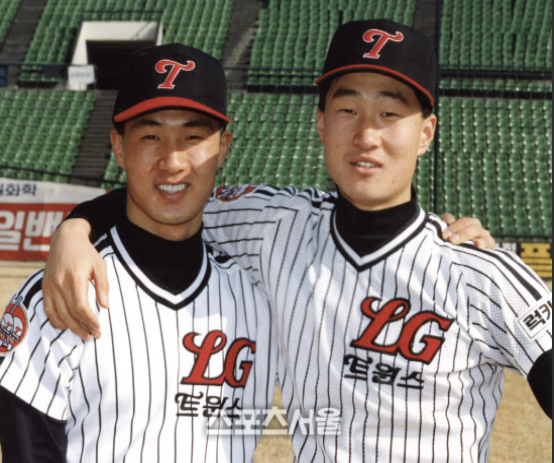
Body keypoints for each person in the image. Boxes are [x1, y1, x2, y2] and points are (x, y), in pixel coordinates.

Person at [40, 19, 545, 462]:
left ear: (427, 132)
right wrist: (76, 229)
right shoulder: (272, 225)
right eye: (348, 110)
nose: (366, 135)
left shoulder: (477, 271)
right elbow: (169, 192)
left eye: (389, 114)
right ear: (321, 123)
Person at [0, 43, 277, 462]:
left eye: (193, 136)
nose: (173, 161)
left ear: (223, 147)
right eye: (151, 136)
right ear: (118, 147)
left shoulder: (259, 294)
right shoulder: (61, 294)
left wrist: (77, 223)